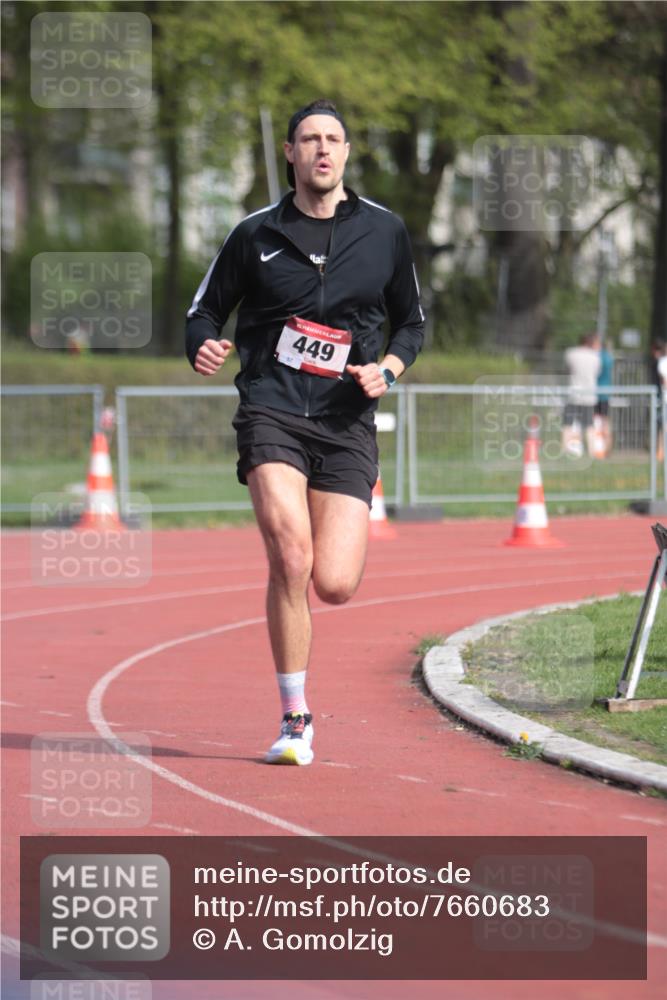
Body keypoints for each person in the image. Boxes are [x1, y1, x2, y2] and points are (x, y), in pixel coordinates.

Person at [185, 99, 424, 765]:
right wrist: (203, 345)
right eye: (309, 139)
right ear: (289, 153)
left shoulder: (384, 232)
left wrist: (389, 368)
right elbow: (203, 312)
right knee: (291, 556)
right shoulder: (254, 233)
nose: (322, 149)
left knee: (335, 582)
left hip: (346, 420)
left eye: (334, 139)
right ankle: (295, 719)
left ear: (346, 153)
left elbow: (413, 322)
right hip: (273, 408)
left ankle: (297, 700)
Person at [562, 333, 601, 458]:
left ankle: (565, 450)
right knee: (589, 426)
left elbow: (567, 369)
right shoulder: (595, 357)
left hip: (573, 393)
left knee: (567, 424)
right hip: (589, 395)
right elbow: (597, 373)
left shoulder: (571, 353)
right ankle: (591, 452)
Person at [593, 335, 614, 457]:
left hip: (597, 393)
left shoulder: (597, 357)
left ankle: (598, 447)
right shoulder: (609, 358)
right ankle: (607, 447)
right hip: (606, 393)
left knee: (597, 421)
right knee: (606, 421)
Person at [650, 339, 667, 463]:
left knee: (663, 426)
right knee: (663, 426)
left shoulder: (662, 362)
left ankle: (661, 450)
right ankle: (661, 450)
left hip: (664, 397)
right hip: (664, 399)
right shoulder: (663, 362)